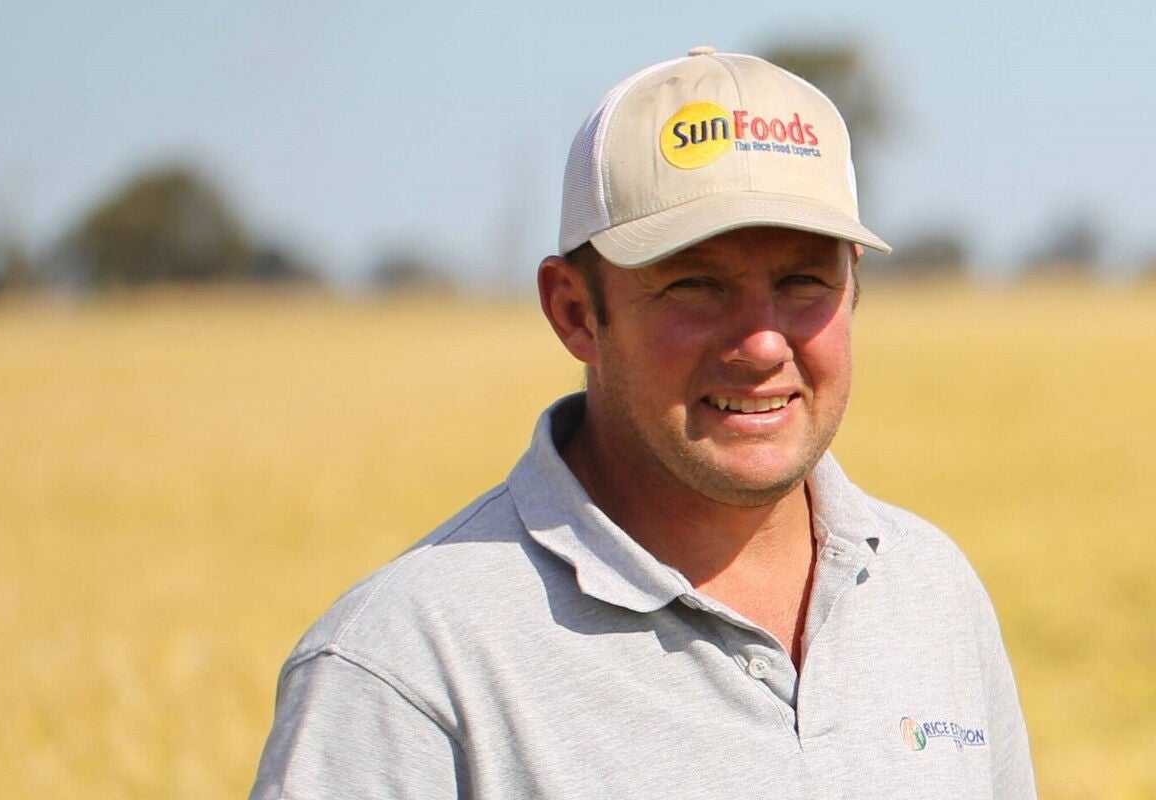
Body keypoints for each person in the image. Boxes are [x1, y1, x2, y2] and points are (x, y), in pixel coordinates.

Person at [250, 47, 1035, 798]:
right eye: (695, 285)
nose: (762, 342)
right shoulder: (405, 664)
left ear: (853, 290)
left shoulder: (930, 591)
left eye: (803, 281)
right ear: (573, 312)